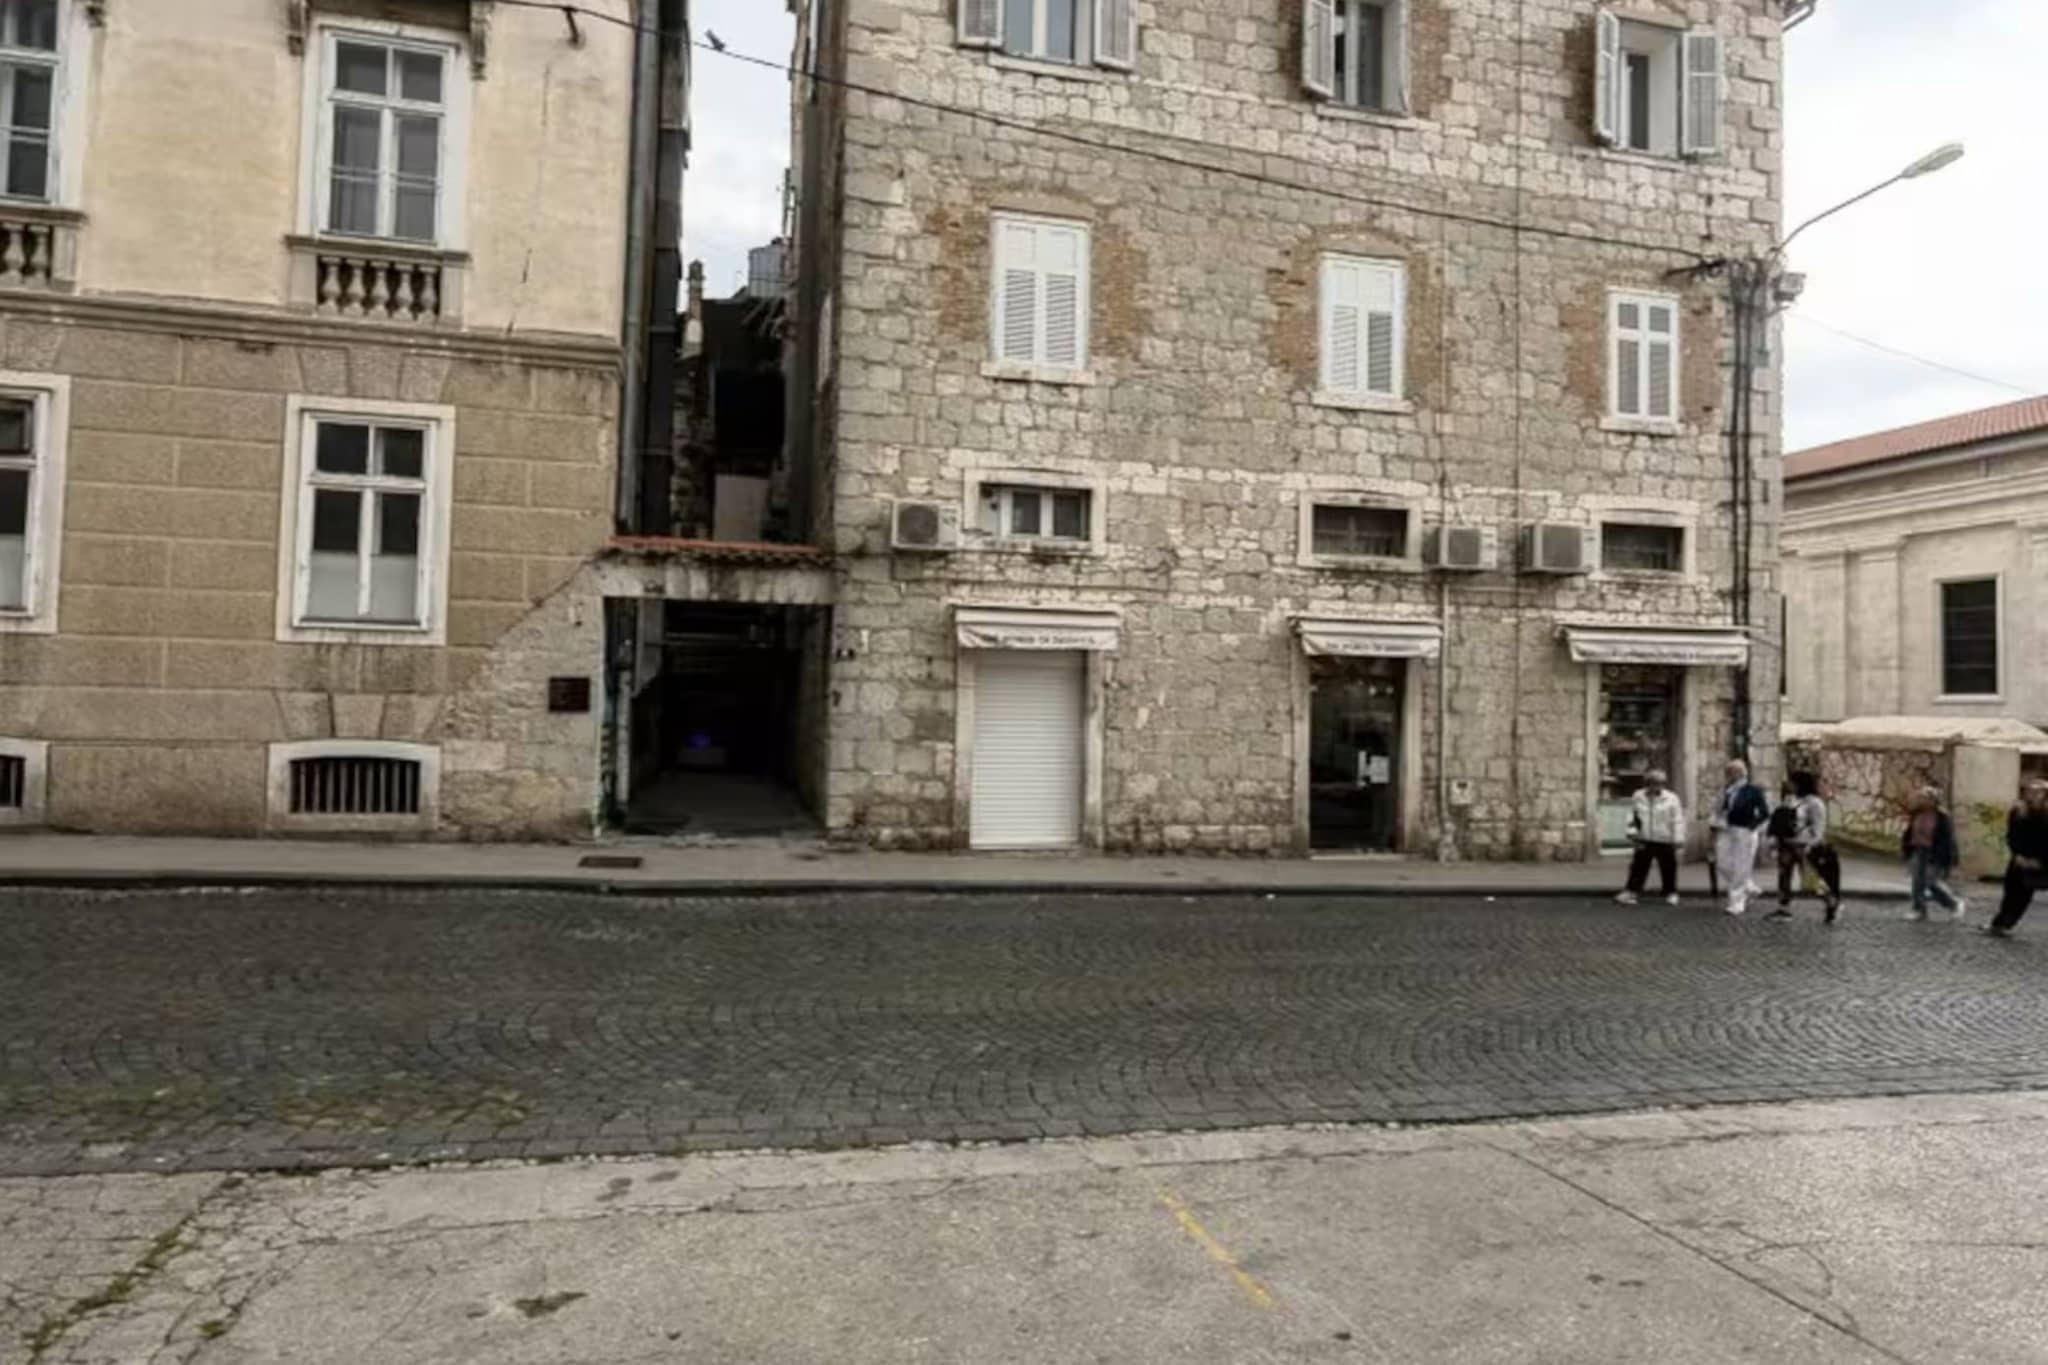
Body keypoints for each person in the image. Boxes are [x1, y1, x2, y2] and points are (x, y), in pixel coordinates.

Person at [1769, 771, 1842, 924]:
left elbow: (1818, 828)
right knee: (1784, 877)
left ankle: (1831, 902)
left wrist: (1811, 845)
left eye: (1792, 782)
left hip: (1803, 846)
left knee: (1810, 880)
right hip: (1786, 844)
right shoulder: (1790, 800)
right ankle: (1783, 908)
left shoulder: (1815, 803)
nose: (1789, 785)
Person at [1983, 778, 2048, 938]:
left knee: (2024, 895)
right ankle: (1999, 924)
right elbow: (2012, 836)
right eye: (2030, 791)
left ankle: (2005, 923)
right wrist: (2017, 855)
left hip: (2041, 861)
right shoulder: (2018, 811)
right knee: (2011, 892)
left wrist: (2040, 861)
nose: (2033, 795)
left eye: (2038, 792)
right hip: (2019, 859)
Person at [1710, 758, 1771, 916]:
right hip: (1725, 829)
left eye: (1731, 772)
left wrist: (1752, 826)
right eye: (1727, 772)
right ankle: (1747, 885)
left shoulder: (1753, 790)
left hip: (1744, 830)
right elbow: (1717, 809)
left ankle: (1737, 902)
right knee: (1722, 863)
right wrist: (1714, 824)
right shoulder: (1725, 790)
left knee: (1741, 866)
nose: (1728, 775)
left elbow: (1764, 813)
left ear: (1740, 773)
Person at [1615, 770, 1684, 906]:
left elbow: (1677, 819)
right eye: (1654, 783)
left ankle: (1671, 893)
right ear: (1648, 783)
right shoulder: (1638, 796)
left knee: (1668, 867)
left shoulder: (1671, 798)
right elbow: (1632, 816)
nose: (1657, 786)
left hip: (1665, 838)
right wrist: (1632, 833)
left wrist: (1678, 838)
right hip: (1644, 837)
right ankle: (1632, 891)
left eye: (1660, 783)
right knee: (1638, 867)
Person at [1899, 786, 1966, 923]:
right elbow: (1910, 831)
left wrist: (1945, 858)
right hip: (1918, 849)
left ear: (1934, 800)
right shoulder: (1916, 813)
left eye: (1925, 798)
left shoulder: (1942, 817)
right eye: (1921, 797)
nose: (1922, 800)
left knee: (1929, 881)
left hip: (1934, 852)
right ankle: (1919, 910)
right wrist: (1906, 848)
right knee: (1917, 881)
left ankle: (1953, 903)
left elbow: (1946, 840)